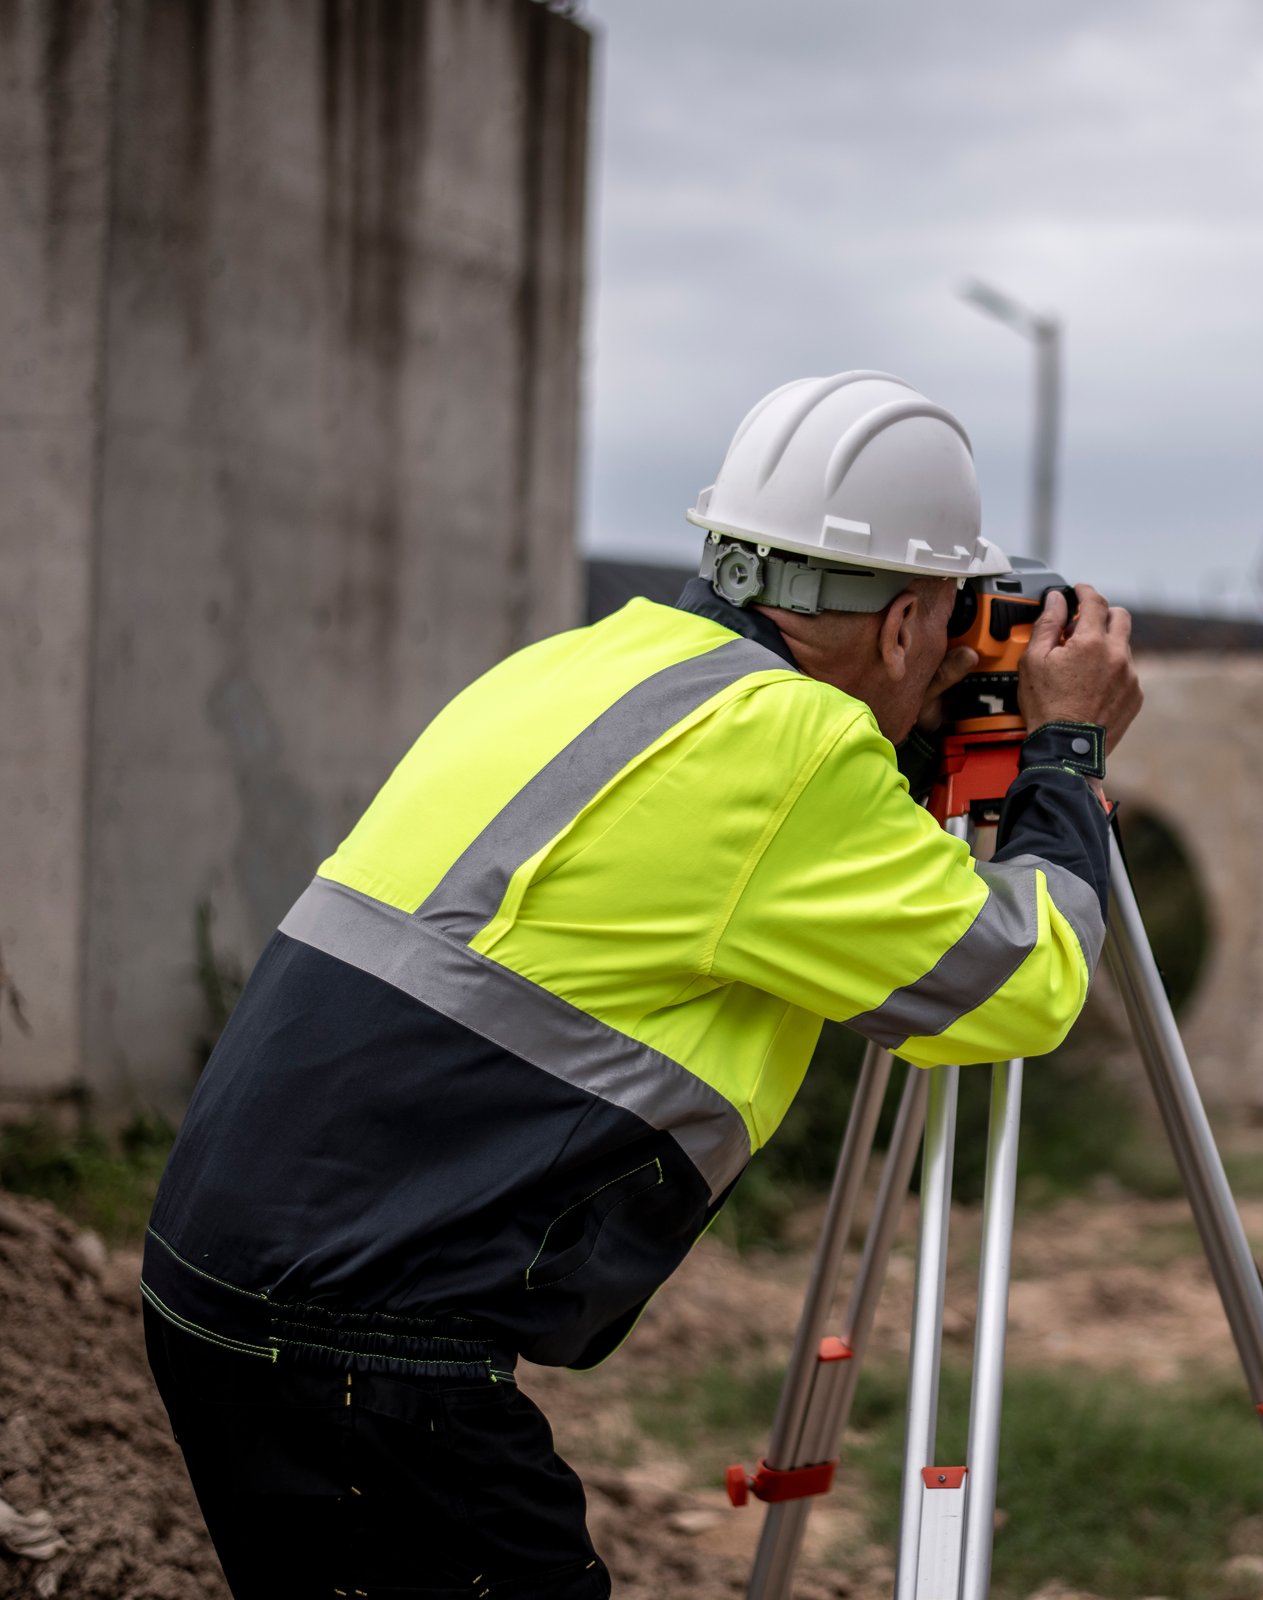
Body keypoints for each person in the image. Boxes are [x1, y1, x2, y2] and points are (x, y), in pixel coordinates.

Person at [141, 372, 1143, 1599]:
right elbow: (1022, 987)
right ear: (899, 627)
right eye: (941, 624)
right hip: (362, 1346)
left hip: (230, 1281)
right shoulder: (795, 750)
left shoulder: (588, 664)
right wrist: (1065, 753)